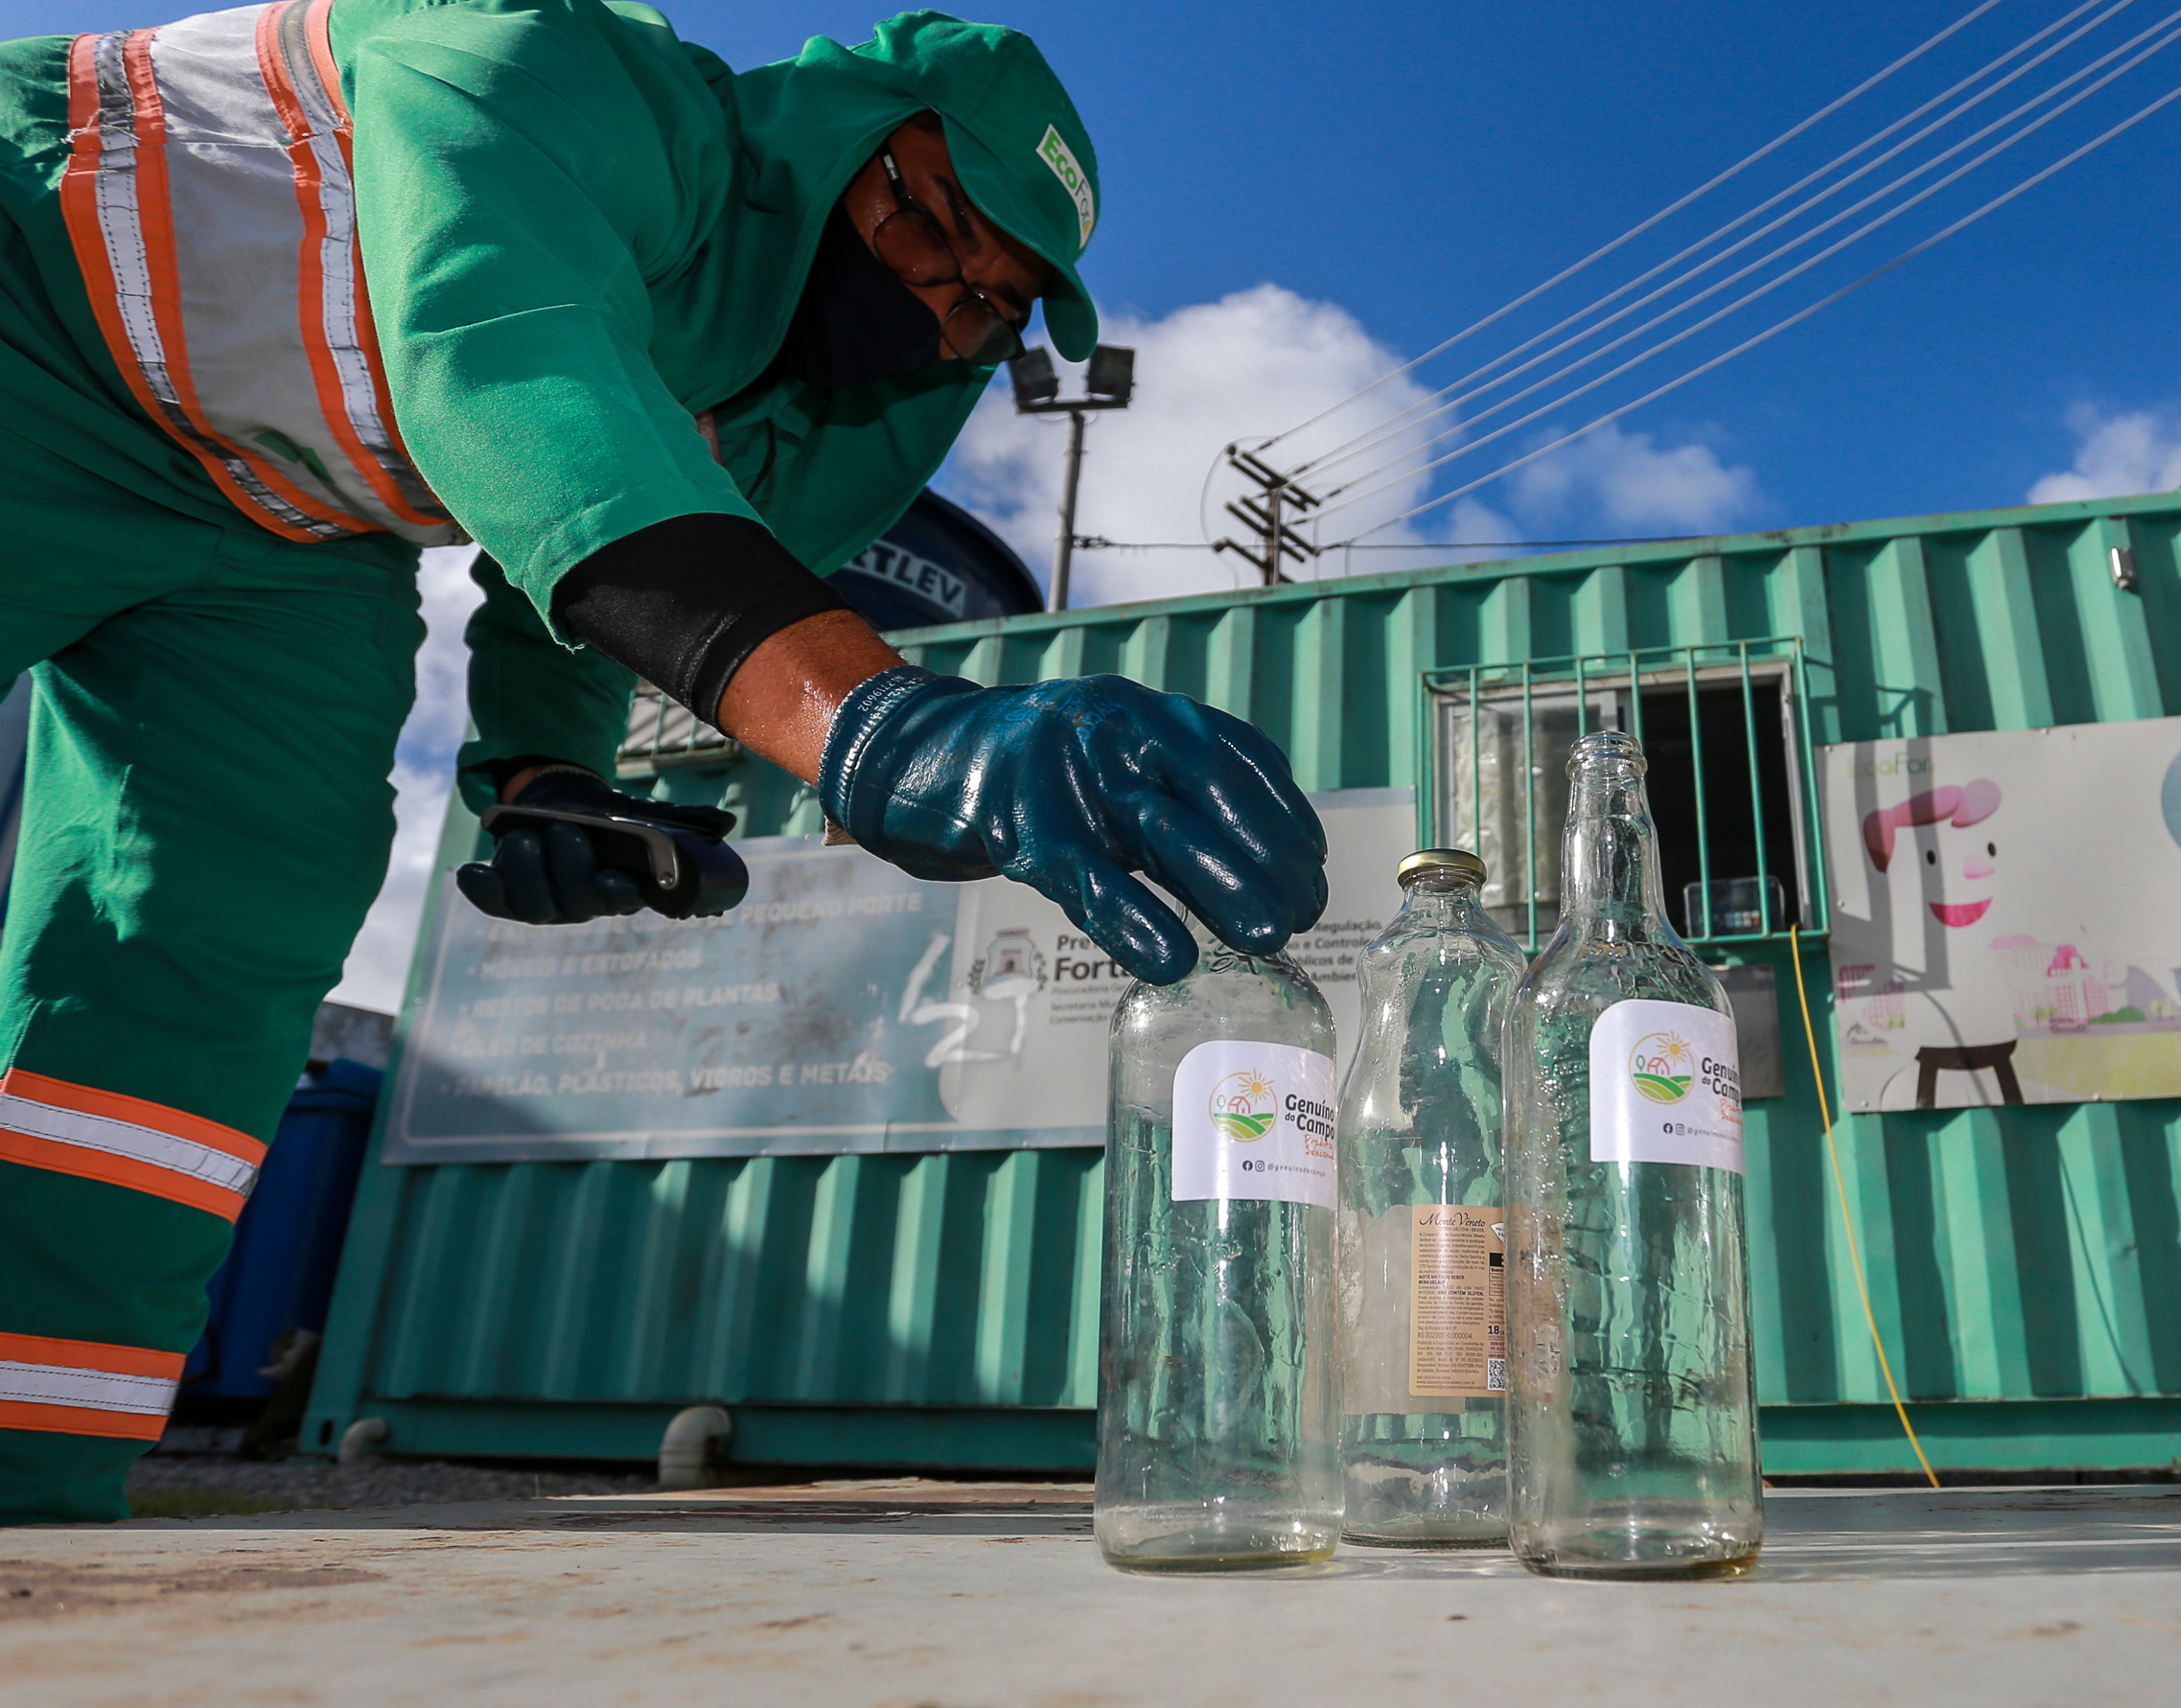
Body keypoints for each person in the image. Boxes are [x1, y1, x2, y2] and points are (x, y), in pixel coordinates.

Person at [0, 0, 1325, 1525]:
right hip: (43, 288)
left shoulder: (764, 392)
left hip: (277, 534)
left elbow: (571, 595)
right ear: (845, 142)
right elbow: (508, 361)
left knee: (234, 903)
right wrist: (875, 719)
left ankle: (25, 1460)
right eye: (942, 228)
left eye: (994, 303)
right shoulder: (560, 68)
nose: (951, 303)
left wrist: (542, 778)